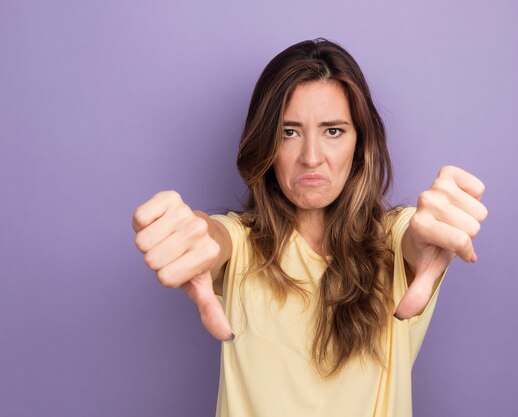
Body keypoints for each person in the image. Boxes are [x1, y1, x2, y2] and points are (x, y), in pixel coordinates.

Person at [132, 38, 488, 417]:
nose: (311, 158)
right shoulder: (240, 242)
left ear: (360, 144)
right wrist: (189, 235)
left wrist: (434, 232)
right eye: (289, 132)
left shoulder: (395, 238)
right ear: (266, 144)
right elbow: (211, 240)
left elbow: (415, 241)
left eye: (333, 131)